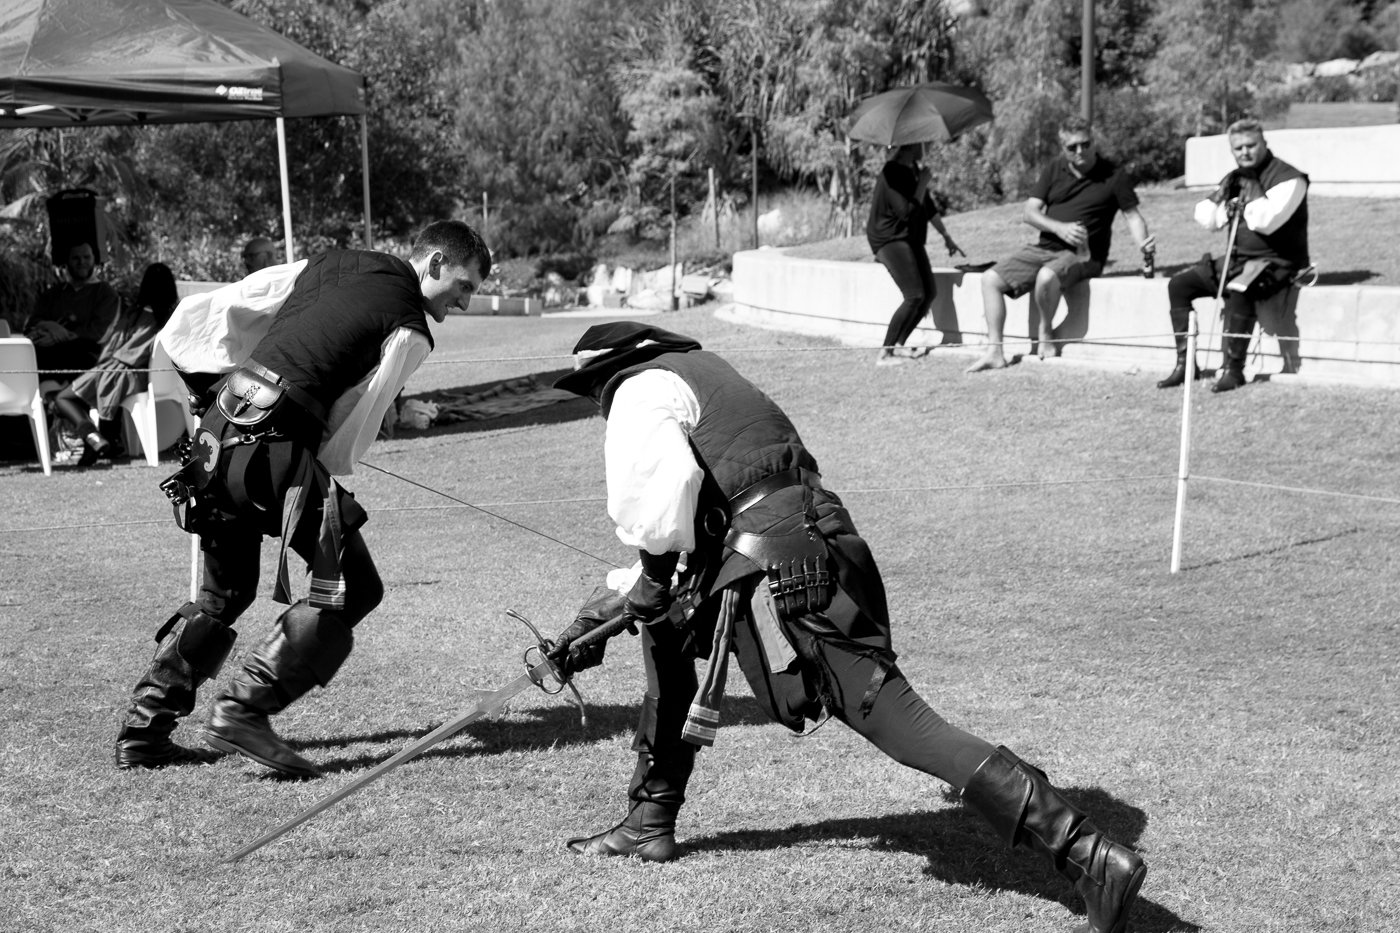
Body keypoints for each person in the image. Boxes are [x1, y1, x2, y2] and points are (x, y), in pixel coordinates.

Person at [548, 322, 1146, 933]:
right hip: (809, 537)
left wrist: (649, 577)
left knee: (900, 721)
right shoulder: (702, 376)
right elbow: (698, 525)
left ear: (609, 370)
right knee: (669, 636)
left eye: (593, 387)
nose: (598, 402)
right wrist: (613, 605)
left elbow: (659, 500)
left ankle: (1090, 856)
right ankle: (650, 823)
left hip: (782, 554)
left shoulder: (637, 388)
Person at [113, 220, 492, 774]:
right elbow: (349, 433)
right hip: (276, 454)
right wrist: (306, 457)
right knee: (354, 586)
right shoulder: (411, 329)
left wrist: (215, 396)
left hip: (218, 432)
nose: (464, 301)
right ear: (433, 263)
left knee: (226, 592)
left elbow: (216, 315)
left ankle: (143, 733)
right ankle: (243, 711)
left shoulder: (332, 261)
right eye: (464, 285)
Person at [967, 118, 1154, 372]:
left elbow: (1132, 216)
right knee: (990, 280)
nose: (1080, 151)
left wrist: (1143, 244)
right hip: (1044, 248)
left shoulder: (1114, 175)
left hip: (1084, 254)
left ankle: (1045, 333)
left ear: (1093, 142)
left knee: (1046, 277)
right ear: (1063, 147)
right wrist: (1059, 228)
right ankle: (995, 352)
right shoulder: (1054, 169)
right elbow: (1029, 212)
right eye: (1072, 147)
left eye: (1085, 144)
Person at [1156, 118, 1309, 392]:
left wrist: (1251, 189)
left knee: (1240, 288)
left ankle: (1233, 370)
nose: (1245, 152)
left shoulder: (1290, 178)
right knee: (1179, 285)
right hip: (1237, 261)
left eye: (1251, 145)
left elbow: (1267, 220)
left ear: (1264, 143)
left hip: (1277, 263)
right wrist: (1224, 206)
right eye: (1238, 148)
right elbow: (1206, 216)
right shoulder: (1234, 178)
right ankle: (1186, 364)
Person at [48, 262, 180, 466]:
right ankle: (98, 443)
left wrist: (102, 361)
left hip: (120, 371)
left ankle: (94, 438)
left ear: (144, 286)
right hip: (146, 378)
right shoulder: (172, 317)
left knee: (62, 398)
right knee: (85, 393)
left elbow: (116, 346)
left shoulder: (138, 314)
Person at [866, 143, 964, 366]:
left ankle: (899, 346)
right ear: (910, 146)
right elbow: (905, 212)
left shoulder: (914, 170)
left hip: (909, 238)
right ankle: (885, 353)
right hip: (889, 239)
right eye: (923, 143)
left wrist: (946, 236)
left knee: (928, 293)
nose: (926, 147)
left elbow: (926, 207)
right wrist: (922, 183)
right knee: (914, 295)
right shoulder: (891, 172)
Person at [23, 241, 121, 384]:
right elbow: (31, 324)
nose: (82, 262)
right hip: (46, 357)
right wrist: (50, 326)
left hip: (87, 362)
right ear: (67, 261)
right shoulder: (54, 293)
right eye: (76, 258)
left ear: (94, 260)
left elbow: (99, 333)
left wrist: (60, 335)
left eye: (87, 257)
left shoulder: (106, 293)